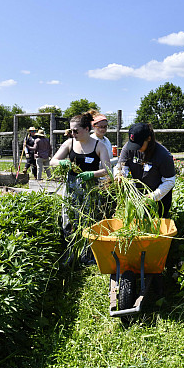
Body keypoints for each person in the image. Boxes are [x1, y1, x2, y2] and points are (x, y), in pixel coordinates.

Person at [50, 113, 111, 265]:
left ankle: (87, 256)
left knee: (87, 220)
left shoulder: (99, 146)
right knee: (68, 220)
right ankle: (70, 254)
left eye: (76, 131)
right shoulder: (70, 143)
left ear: (87, 129)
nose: (73, 134)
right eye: (71, 131)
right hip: (71, 189)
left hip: (90, 190)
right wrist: (61, 163)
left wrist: (93, 174)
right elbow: (53, 161)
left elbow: (108, 170)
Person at [114, 122, 176, 218]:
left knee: (156, 226)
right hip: (138, 196)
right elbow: (121, 166)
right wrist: (119, 174)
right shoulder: (128, 148)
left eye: (139, 144)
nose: (136, 149)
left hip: (159, 199)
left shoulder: (163, 155)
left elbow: (170, 181)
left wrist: (153, 197)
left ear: (149, 139)